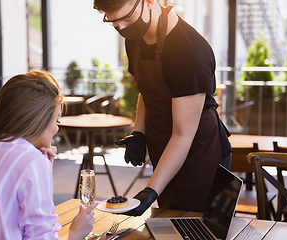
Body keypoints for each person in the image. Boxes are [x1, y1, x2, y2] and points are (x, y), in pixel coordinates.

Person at [93, 0, 231, 215]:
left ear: (148, 2)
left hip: (199, 154)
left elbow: (183, 135)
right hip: (165, 149)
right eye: (114, 22)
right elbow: (146, 91)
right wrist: (139, 132)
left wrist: (150, 190)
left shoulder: (189, 51)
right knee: (168, 223)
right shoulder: (134, 37)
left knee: (192, 225)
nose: (121, 27)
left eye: (126, 17)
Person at [0, 71, 98, 240]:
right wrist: (76, 233)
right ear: (38, 120)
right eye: (57, 120)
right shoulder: (32, 162)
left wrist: (43, 168)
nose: (57, 128)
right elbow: (41, 236)